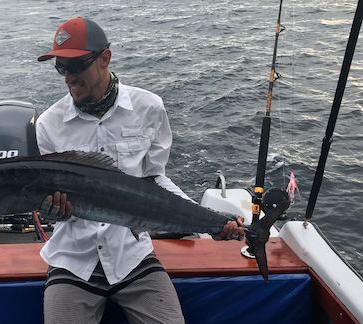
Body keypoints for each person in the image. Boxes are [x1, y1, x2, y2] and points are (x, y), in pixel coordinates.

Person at [36, 16, 244, 324]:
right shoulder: (48, 125)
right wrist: (53, 210)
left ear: (104, 57)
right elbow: (50, 196)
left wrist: (212, 223)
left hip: (131, 256)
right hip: (73, 259)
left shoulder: (149, 107)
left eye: (76, 65)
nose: (68, 77)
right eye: (60, 67)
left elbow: (155, 179)